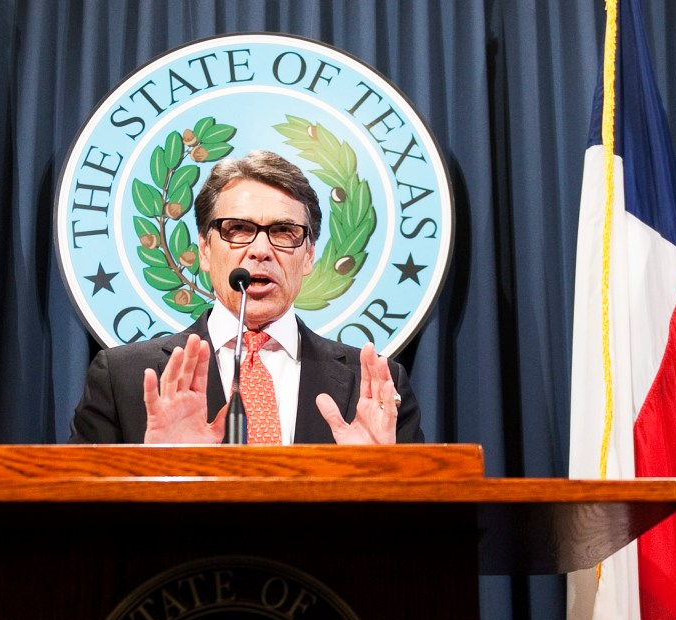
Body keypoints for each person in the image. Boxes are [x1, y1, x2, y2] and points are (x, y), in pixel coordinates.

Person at [69, 150, 423, 445]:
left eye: (284, 231)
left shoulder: (376, 392)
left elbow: (428, 525)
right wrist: (163, 472)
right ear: (205, 250)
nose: (260, 250)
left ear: (310, 255)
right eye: (238, 229)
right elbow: (77, 521)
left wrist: (377, 476)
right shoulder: (124, 378)